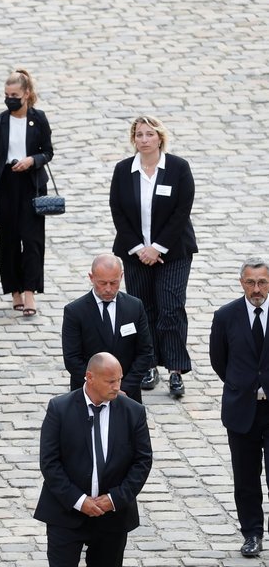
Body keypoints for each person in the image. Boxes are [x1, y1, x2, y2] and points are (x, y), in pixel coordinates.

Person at [34, 352, 153, 567]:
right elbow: (50, 463)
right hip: (66, 513)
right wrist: (79, 501)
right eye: (111, 381)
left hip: (112, 515)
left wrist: (113, 499)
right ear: (90, 378)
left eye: (119, 380)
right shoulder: (60, 408)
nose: (117, 386)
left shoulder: (132, 411)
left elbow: (142, 462)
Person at [110, 115, 196, 399]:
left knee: (170, 307)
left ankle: (175, 369)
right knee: (142, 311)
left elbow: (181, 211)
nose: (144, 140)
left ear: (160, 137)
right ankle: (148, 364)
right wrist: (139, 248)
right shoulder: (124, 170)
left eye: (149, 134)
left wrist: (157, 247)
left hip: (173, 252)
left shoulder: (178, 168)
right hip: (135, 254)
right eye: (139, 135)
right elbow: (118, 212)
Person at [0, 69, 54, 317]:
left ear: (26, 94)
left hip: (32, 184)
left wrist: (31, 160)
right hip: (6, 186)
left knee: (33, 239)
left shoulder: (39, 119)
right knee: (10, 240)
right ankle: (14, 289)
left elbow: (48, 152)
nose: (10, 98)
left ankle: (30, 291)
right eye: (6, 95)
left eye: (14, 94)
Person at [210, 257, 269, 558]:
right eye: (250, 282)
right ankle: (252, 534)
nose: (256, 289)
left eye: (262, 282)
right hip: (241, 409)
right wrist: (242, 385)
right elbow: (219, 360)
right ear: (241, 282)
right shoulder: (225, 316)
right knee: (245, 478)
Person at [62, 254, 153, 403]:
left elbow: (145, 352)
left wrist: (123, 387)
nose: (108, 289)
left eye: (114, 283)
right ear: (91, 278)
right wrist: (100, 388)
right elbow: (72, 358)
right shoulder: (75, 311)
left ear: (121, 276)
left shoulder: (134, 307)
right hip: (89, 395)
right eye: (102, 283)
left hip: (127, 394)